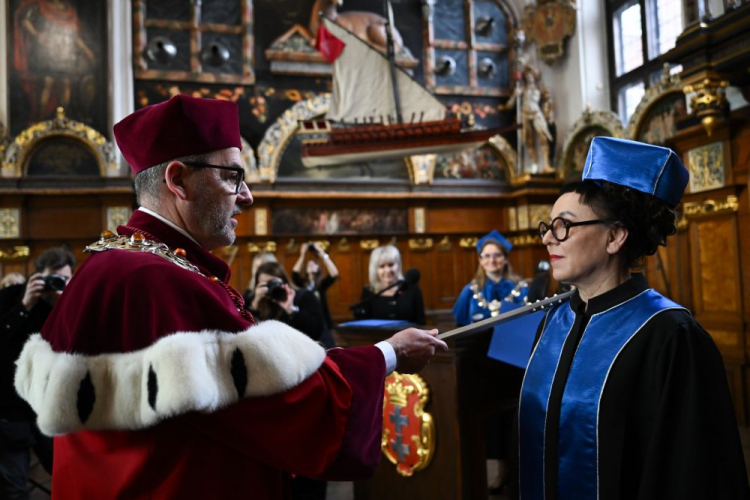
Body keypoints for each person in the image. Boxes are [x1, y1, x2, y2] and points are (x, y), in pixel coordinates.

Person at [12, 94, 447, 499]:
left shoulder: (110, 265)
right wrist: (387, 355)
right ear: (178, 180)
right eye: (232, 176)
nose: (247, 196)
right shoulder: (157, 280)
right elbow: (285, 404)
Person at [518, 137, 750, 499]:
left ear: (615, 236)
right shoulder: (554, 323)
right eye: (547, 226)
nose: (549, 238)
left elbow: (691, 471)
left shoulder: (671, 335)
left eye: (564, 225)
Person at [0, 247, 75, 499]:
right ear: (37, 276)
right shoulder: (11, 297)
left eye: (63, 279)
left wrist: (67, 300)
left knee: (67, 475)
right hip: (10, 410)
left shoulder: (67, 304)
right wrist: (24, 306)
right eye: (52, 278)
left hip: (49, 406)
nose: (56, 284)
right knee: (14, 488)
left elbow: (74, 346)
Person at [250, 261, 335, 349]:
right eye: (266, 284)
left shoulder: (304, 296)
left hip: (312, 351)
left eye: (273, 282)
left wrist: (291, 309)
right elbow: (250, 333)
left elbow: (317, 330)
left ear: (283, 280)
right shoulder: (261, 303)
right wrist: (255, 302)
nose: (271, 287)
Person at [452, 230, 525, 327]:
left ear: (506, 259)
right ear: (480, 260)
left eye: (497, 255)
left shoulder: (521, 289)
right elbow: (460, 326)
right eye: (486, 256)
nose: (492, 260)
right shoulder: (469, 291)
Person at [501, 63, 554, 174]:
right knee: (529, 140)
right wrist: (514, 95)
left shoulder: (540, 88)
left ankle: (546, 164)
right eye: (527, 75)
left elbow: (548, 101)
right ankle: (534, 165)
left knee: (543, 136)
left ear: (534, 76)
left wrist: (548, 112)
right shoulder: (522, 90)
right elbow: (510, 104)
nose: (529, 77)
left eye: (531, 75)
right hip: (525, 114)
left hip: (536, 113)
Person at [354, 244, 426, 325]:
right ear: (375, 269)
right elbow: (363, 325)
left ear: (398, 265)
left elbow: (421, 322)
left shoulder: (412, 288)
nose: (387, 270)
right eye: (382, 266)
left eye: (391, 265)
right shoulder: (369, 291)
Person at [291, 242, 339, 331]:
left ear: (318, 268)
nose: (311, 265)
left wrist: (322, 253)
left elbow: (334, 273)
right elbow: (294, 273)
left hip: (323, 321)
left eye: (314, 264)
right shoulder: (302, 284)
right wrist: (302, 255)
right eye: (309, 264)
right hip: (306, 321)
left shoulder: (321, 284)